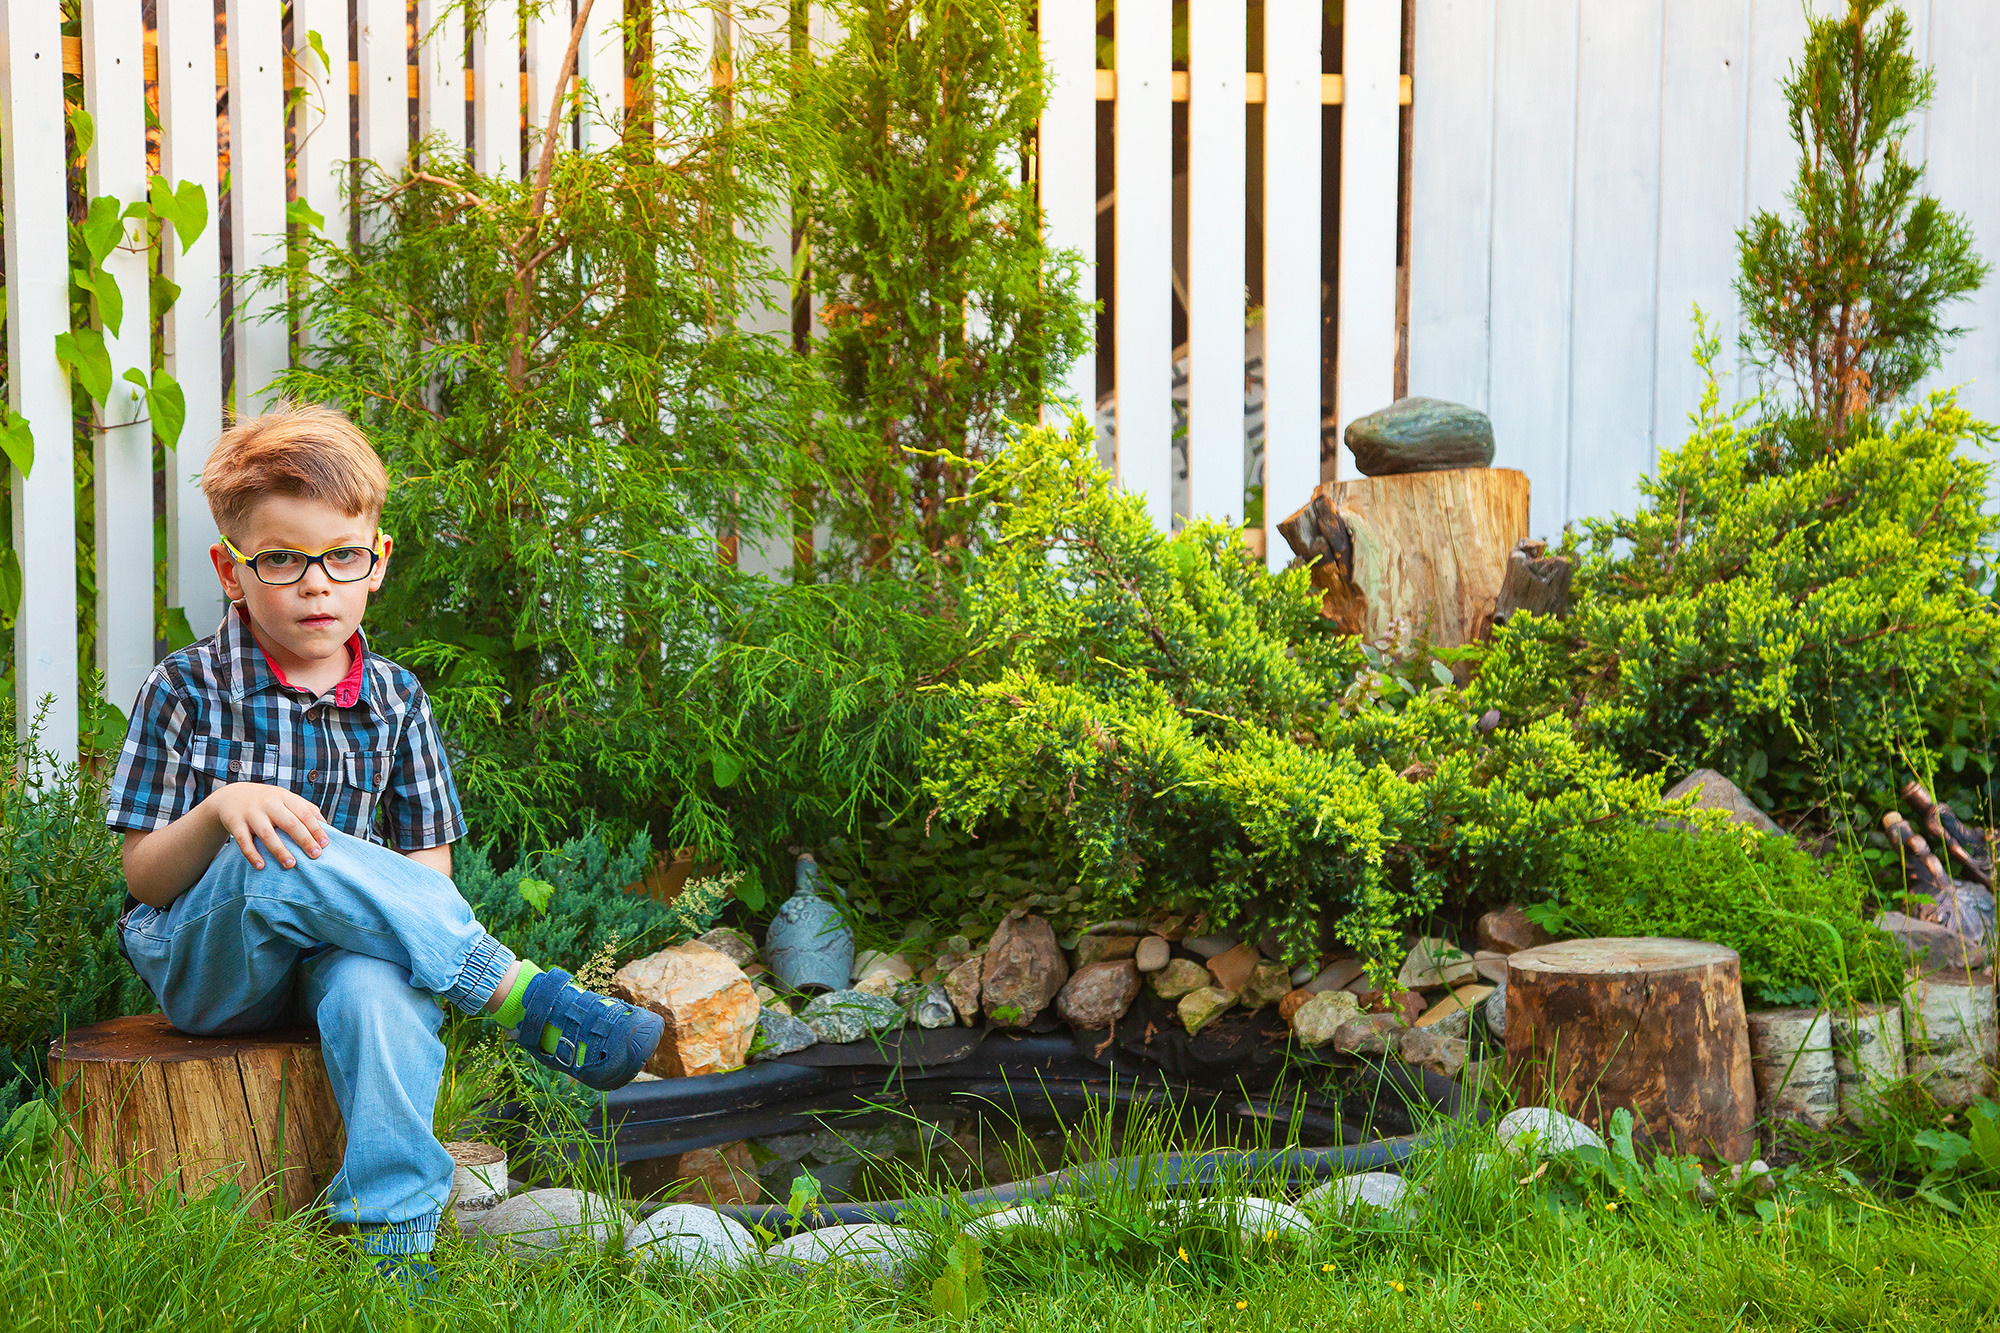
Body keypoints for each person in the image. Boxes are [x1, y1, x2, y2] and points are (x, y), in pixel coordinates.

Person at [105, 403, 663, 1283]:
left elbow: (426, 883)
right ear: (232, 569)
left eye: (342, 557)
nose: (317, 584)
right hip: (209, 961)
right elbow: (142, 875)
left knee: (379, 985)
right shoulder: (185, 687)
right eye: (282, 559)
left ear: (378, 562)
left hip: (338, 953)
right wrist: (224, 809)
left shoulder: (397, 701)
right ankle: (520, 996)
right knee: (275, 852)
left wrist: (375, 919)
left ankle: (393, 1250)